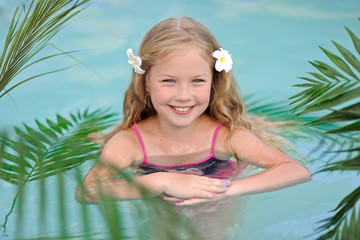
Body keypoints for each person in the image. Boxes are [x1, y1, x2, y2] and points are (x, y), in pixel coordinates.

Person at [75, 16, 311, 206]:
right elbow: (87, 192)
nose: (184, 95)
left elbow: (296, 170)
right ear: (146, 84)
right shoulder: (130, 143)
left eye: (197, 81)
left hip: (215, 205)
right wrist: (163, 181)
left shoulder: (225, 137)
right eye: (169, 81)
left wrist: (224, 190)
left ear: (213, 83)